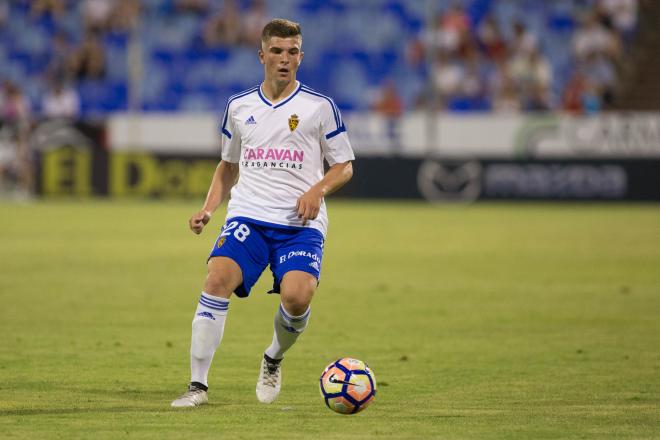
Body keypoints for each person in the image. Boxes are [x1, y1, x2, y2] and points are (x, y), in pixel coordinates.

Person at [171, 18, 355, 408]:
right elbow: (228, 165)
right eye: (276, 51)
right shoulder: (239, 107)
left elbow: (344, 166)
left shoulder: (319, 107)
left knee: (297, 297)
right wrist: (208, 208)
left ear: (301, 57)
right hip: (249, 216)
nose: (284, 60)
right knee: (217, 277)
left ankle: (273, 358)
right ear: (262, 55)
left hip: (299, 224)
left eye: (292, 53)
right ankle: (197, 386)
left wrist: (317, 190)